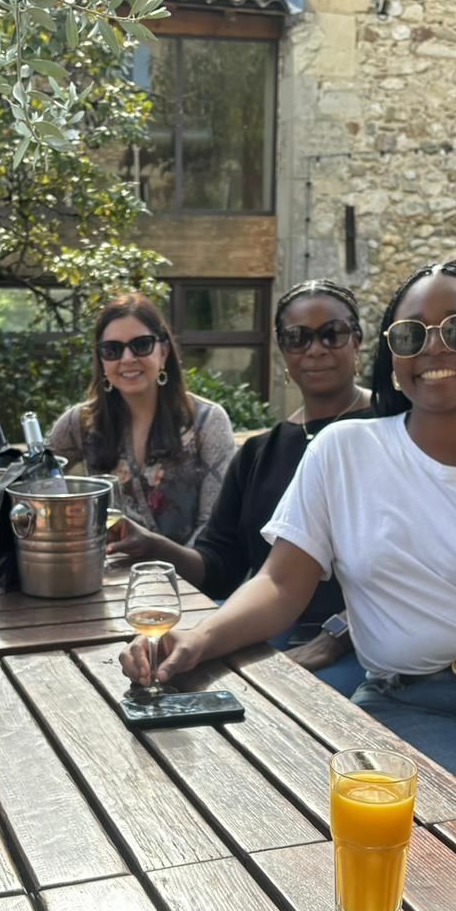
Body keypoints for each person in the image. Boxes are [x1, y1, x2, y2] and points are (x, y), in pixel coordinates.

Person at [121, 261, 456, 830]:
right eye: (411, 334)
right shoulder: (343, 450)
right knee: (411, 824)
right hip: (405, 703)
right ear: (394, 358)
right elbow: (279, 584)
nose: (434, 349)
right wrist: (197, 642)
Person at [110, 280, 371, 695]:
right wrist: (154, 545)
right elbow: (220, 569)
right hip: (267, 630)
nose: (315, 348)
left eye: (332, 334)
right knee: (164, 679)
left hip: (362, 647)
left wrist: (336, 635)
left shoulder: (392, 431)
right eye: (297, 337)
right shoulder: (259, 454)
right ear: (282, 352)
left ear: (357, 341)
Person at [48, 293, 235, 545]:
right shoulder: (81, 422)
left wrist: (171, 575)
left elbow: (213, 526)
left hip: (188, 578)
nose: (127, 359)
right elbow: (34, 484)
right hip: (106, 577)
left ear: (164, 351)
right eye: (112, 350)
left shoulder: (206, 422)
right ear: (101, 360)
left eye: (141, 344)